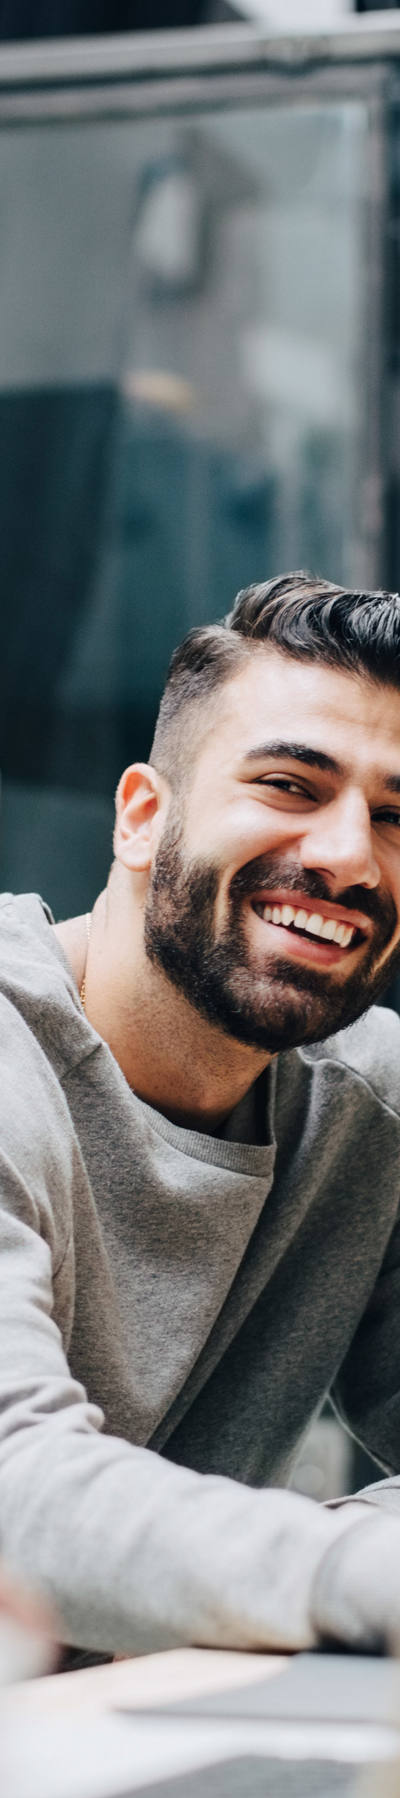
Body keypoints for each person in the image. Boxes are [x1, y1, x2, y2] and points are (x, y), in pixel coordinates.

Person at [3, 569, 400, 1667]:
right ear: (142, 816)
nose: (347, 856)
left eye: (393, 816)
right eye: (288, 782)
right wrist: (343, 1574)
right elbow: (11, 1488)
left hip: (135, 1756)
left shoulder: (369, 1105)